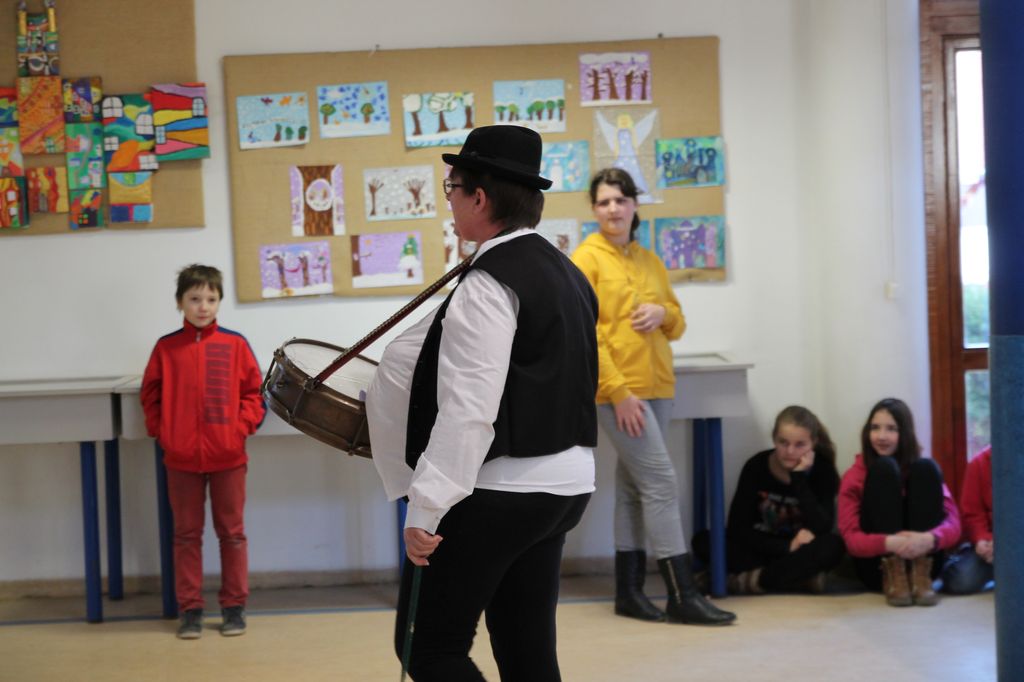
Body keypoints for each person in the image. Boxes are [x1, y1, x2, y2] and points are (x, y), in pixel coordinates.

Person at [365, 125, 599, 682]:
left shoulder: (489, 282)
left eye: (452, 188)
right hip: (565, 487)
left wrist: (426, 507)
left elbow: (470, 407)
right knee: (526, 651)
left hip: (500, 493)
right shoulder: (567, 272)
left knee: (429, 649)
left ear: (480, 197)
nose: (448, 200)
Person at [569, 167, 735, 626]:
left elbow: (677, 323)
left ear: (634, 205)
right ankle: (682, 594)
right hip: (619, 393)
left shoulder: (650, 260)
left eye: (620, 200)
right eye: (604, 202)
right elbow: (586, 335)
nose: (613, 209)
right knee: (661, 482)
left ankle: (628, 593)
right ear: (594, 209)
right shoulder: (586, 260)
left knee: (633, 486)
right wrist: (618, 392)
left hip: (659, 386)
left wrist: (663, 312)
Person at [140, 264, 265, 639]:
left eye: (211, 299)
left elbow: (254, 394)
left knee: (232, 533)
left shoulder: (235, 344)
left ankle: (234, 607)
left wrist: (238, 431)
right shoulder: (166, 348)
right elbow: (150, 396)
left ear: (219, 302)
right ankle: (190, 610)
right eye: (194, 298)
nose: (203, 306)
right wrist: (164, 433)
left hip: (228, 457)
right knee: (185, 535)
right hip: (180, 460)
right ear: (180, 302)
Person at [694, 406, 845, 594]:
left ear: (813, 443)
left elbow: (822, 527)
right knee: (703, 541)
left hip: (801, 552)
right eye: (783, 442)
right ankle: (797, 580)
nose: (790, 451)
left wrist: (798, 478)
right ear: (774, 438)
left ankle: (745, 581)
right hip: (761, 549)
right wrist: (786, 546)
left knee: (833, 546)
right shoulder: (756, 465)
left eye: (800, 445)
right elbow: (737, 527)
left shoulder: (823, 470)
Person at [838, 398, 961, 607]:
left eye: (891, 429)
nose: (881, 436)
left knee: (926, 466)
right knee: (884, 468)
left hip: (925, 562)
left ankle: (920, 577)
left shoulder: (923, 473)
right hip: (877, 567)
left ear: (905, 433)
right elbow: (851, 539)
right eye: (875, 428)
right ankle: (895, 575)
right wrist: (890, 543)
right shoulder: (854, 476)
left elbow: (954, 525)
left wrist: (929, 539)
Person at [941, 445, 994, 594]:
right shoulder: (979, 463)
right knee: (960, 581)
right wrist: (982, 539)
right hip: (990, 545)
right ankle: (958, 557)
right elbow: (972, 513)